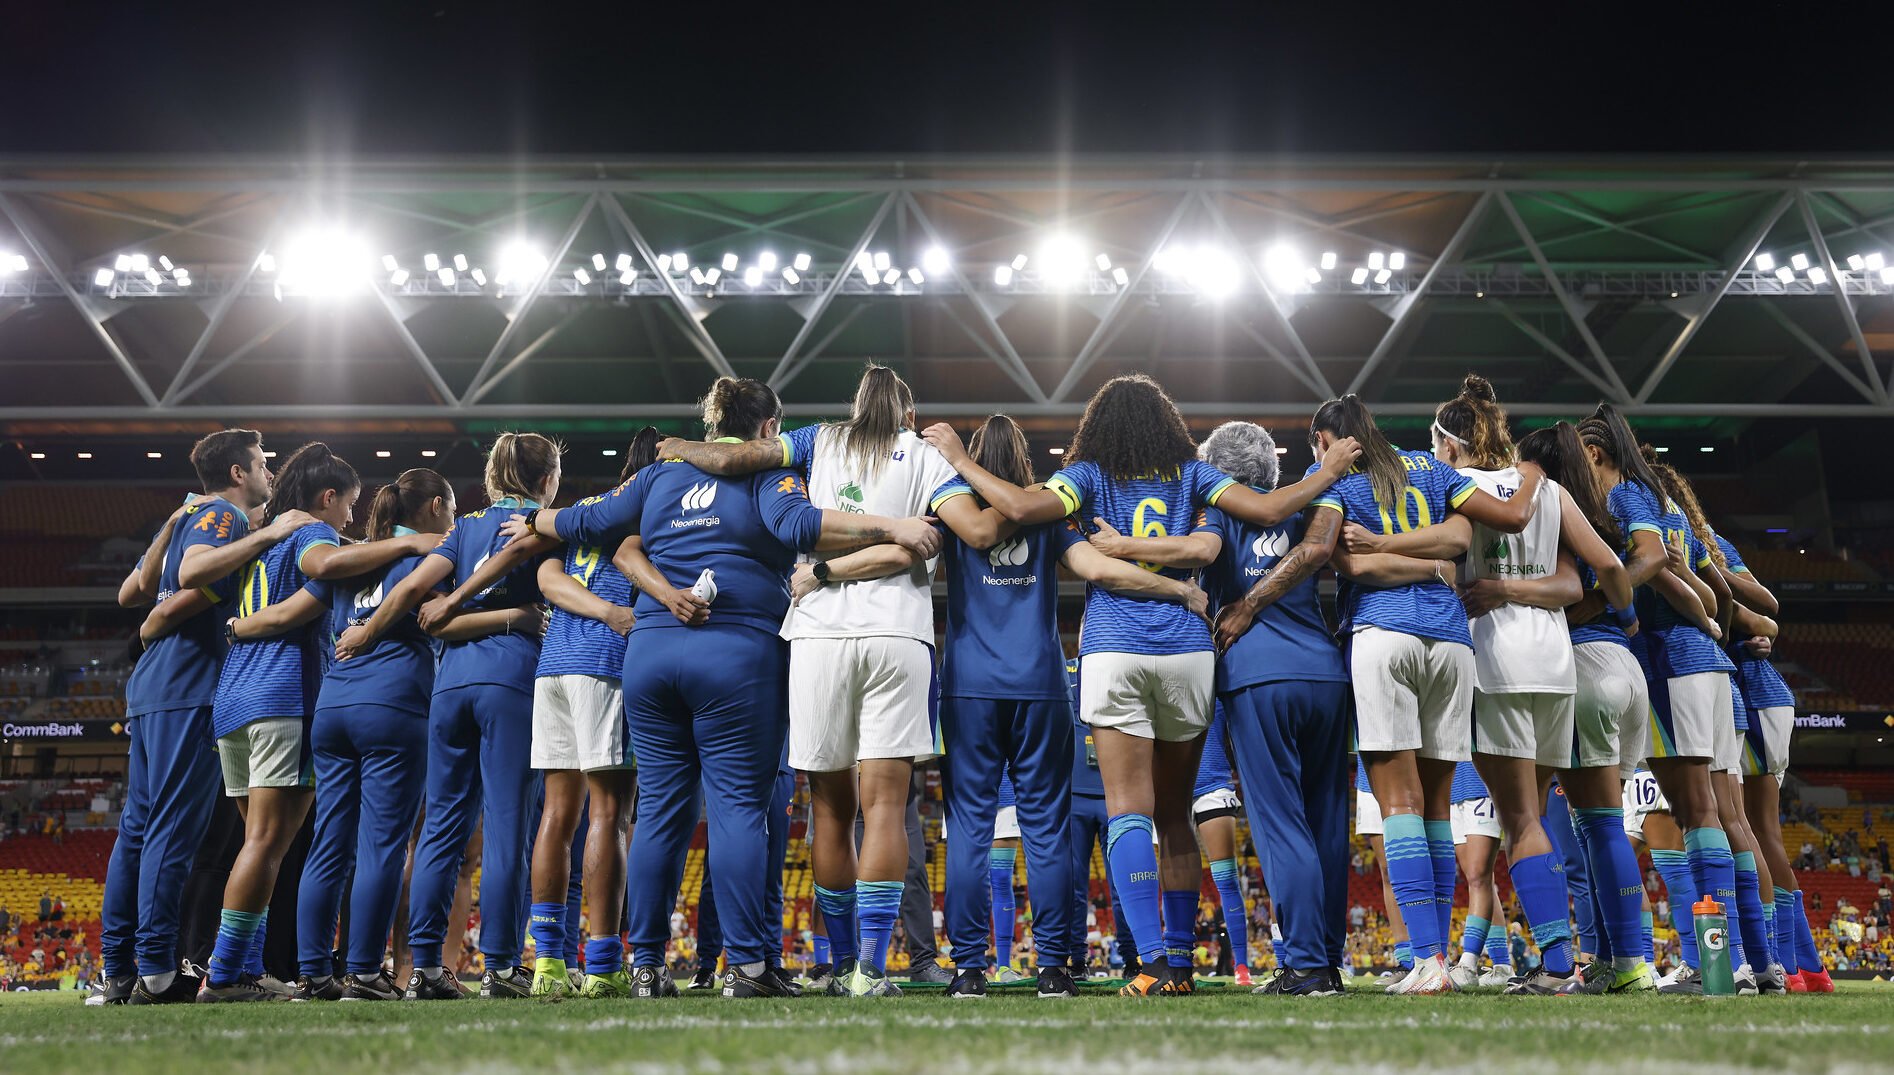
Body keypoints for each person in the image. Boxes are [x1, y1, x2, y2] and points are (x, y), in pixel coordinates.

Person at [921, 374, 1362, 996]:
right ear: (1169, 422)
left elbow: (1020, 512)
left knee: (1129, 808)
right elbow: (1263, 513)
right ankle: (1181, 963)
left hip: (1113, 649)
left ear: (1097, 424)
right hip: (1188, 649)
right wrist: (1330, 469)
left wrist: (960, 459)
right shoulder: (1193, 474)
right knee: (1177, 814)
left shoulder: (1086, 478)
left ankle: (1151, 963)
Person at [525, 375, 940, 999]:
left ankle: (645, 966)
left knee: (661, 812)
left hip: (652, 654)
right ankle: (747, 967)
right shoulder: (770, 475)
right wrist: (893, 527)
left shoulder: (658, 476)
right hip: (737, 654)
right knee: (738, 809)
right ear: (769, 429)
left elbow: (592, 521)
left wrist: (533, 515)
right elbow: (800, 528)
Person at [817, 411, 1208, 998]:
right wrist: (1178, 588)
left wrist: (825, 572)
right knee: (1045, 829)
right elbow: (1098, 568)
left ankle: (969, 970)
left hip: (969, 684)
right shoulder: (1048, 513)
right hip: (1042, 685)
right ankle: (1054, 968)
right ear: (1026, 462)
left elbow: (901, 556)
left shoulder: (952, 511)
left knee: (969, 828)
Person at [656, 365, 956, 998]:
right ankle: (870, 972)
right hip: (898, 632)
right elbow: (947, 533)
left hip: (815, 635)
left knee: (828, 810)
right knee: (883, 811)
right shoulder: (925, 453)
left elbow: (742, 459)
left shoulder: (819, 439)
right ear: (906, 411)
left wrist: (686, 447)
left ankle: (843, 961)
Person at [174, 443, 427, 1001]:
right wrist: (408, 542)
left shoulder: (260, 540)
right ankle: (224, 972)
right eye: (348, 507)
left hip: (234, 700)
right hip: (281, 696)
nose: (350, 520)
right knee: (267, 843)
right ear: (328, 497)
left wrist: (239, 630)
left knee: (257, 846)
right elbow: (318, 575)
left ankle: (243, 968)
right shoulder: (310, 533)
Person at [1314, 392, 1545, 994]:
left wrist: (1383, 548)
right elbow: (1455, 540)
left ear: (1326, 439)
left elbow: (1355, 569)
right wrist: (1427, 560)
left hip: (1383, 636)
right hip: (1449, 643)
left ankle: (1425, 961)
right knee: (1437, 810)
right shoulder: (1431, 465)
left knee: (1399, 805)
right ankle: (1437, 958)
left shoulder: (1336, 479)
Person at [338, 432, 564, 1000]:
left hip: (449, 689)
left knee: (438, 832)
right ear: (545, 481)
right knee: (508, 828)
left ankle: (426, 971)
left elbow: (414, 589)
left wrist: (367, 630)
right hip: (511, 683)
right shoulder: (541, 523)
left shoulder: (462, 529)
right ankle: (503, 967)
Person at [429, 430, 654, 999]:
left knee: (556, 815)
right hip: (599, 664)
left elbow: (550, 578)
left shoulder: (573, 515)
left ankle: (549, 964)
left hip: (547, 667)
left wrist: (453, 601)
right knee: (607, 815)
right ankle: (600, 966)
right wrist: (612, 612)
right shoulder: (645, 514)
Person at [292, 468, 531, 1001]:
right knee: (382, 846)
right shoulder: (429, 555)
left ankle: (313, 972)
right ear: (434, 508)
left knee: (329, 844)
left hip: (333, 704)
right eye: (448, 511)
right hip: (395, 704)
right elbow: (437, 614)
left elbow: (305, 600)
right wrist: (520, 615)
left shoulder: (355, 558)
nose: (452, 522)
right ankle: (362, 972)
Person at [100, 430, 315, 1005]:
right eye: (263, 464)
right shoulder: (224, 516)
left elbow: (135, 591)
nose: (269, 472)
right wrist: (269, 531)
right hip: (190, 685)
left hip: (154, 690)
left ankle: (119, 970)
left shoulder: (192, 517)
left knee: (137, 832)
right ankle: (157, 973)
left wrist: (169, 536)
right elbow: (192, 575)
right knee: (171, 832)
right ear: (240, 473)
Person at [1573, 405, 1734, 996]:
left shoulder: (1622, 498)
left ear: (1594, 453)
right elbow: (1705, 581)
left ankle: (1720, 962)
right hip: (1698, 658)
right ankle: (1737, 960)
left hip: (1668, 659)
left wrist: (1597, 604)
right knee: (1713, 812)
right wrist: (1712, 616)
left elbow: (1652, 559)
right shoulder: (1661, 499)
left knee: (1696, 812)